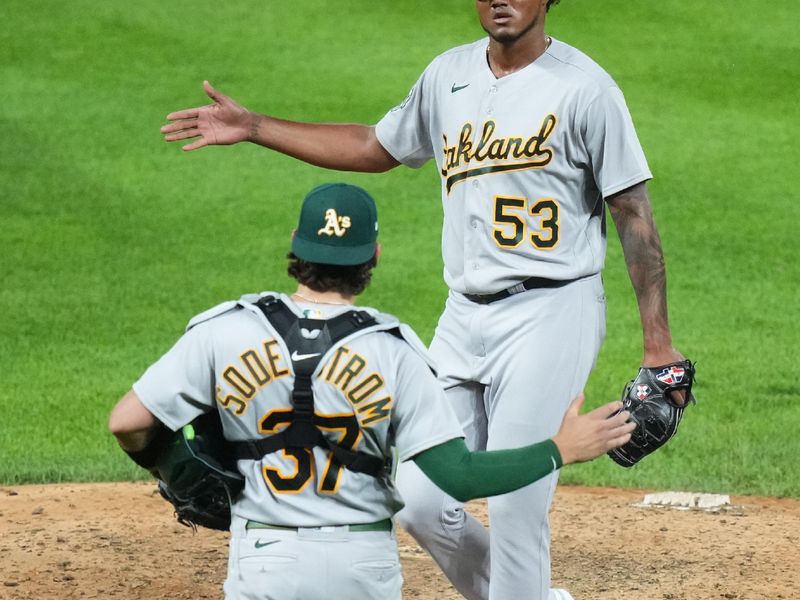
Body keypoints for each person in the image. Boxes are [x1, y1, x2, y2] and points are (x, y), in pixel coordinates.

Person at [159, 1, 687, 598]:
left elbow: (633, 214)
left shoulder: (586, 89)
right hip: (463, 314)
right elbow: (375, 146)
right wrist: (256, 127)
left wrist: (657, 345)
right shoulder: (447, 75)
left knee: (517, 505)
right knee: (416, 492)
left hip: (552, 310)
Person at [108, 183, 634, 600]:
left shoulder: (224, 330)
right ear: (373, 256)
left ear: (295, 244)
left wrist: (162, 461)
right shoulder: (396, 351)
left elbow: (127, 422)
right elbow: (459, 477)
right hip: (360, 567)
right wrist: (562, 448)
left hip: (262, 556)